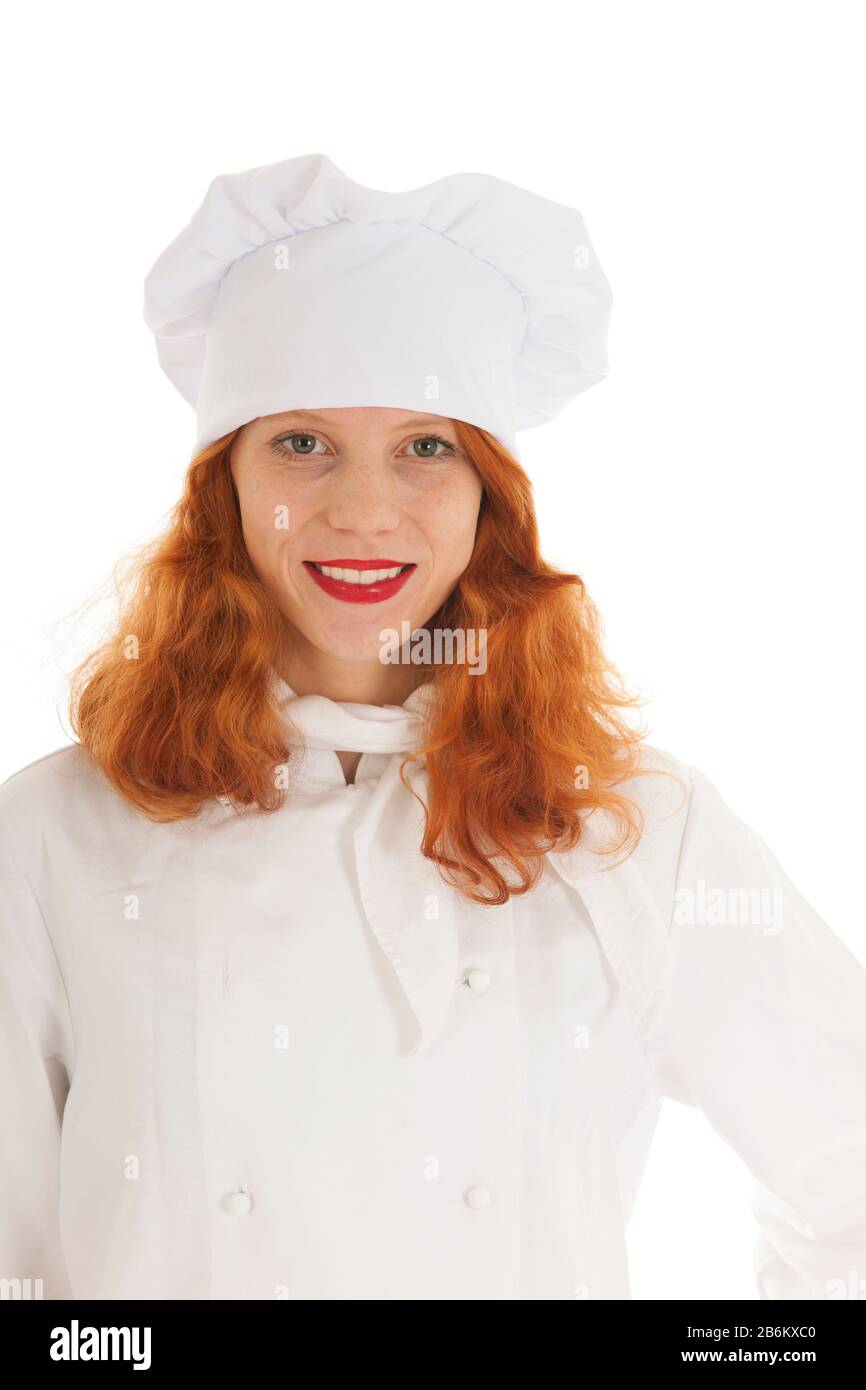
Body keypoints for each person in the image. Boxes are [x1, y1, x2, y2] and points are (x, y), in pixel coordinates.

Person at [1, 153, 864, 1302]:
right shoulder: (56, 833)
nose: (362, 510)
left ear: (488, 500)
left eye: (425, 446)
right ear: (224, 489)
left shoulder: (637, 829)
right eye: (299, 442)